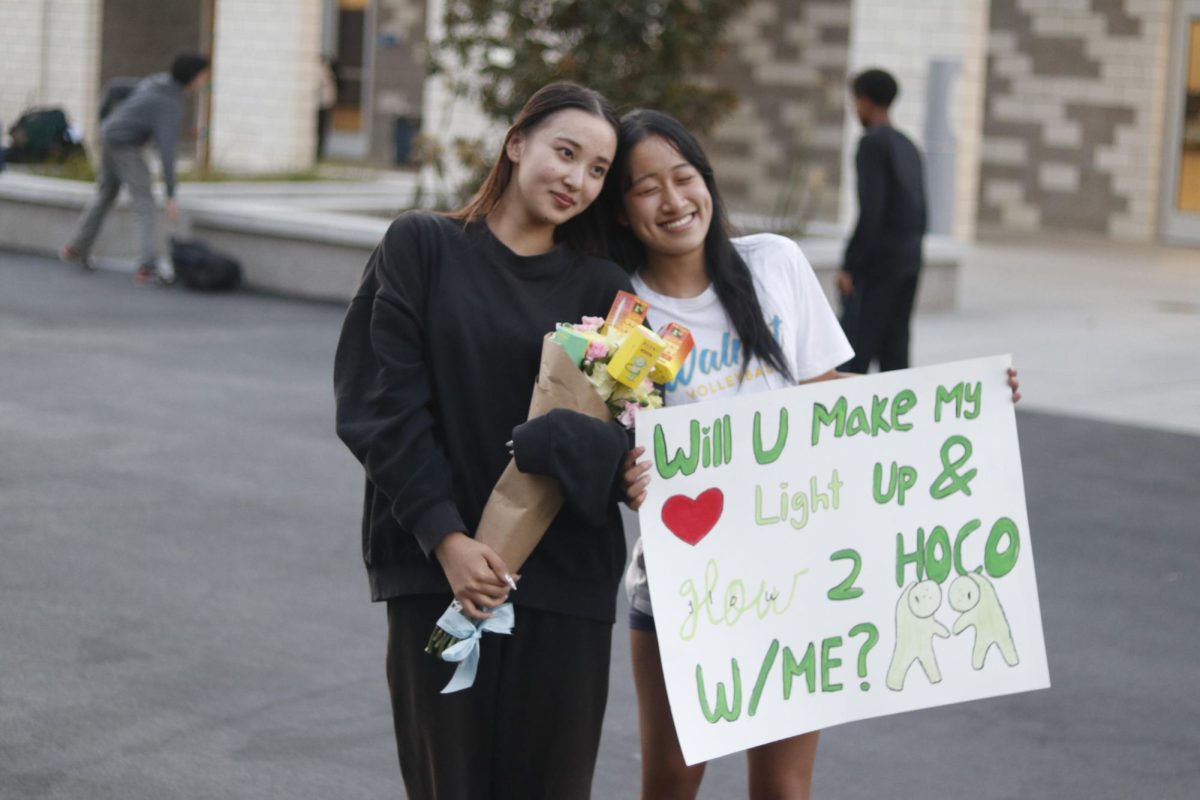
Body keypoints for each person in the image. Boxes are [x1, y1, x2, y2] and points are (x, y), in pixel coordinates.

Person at [603, 109, 1021, 800]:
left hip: (797, 581)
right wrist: (623, 469)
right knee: (671, 786)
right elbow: (619, 442)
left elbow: (828, 394)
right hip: (684, 588)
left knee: (784, 791)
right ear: (620, 211)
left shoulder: (773, 263)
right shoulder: (623, 313)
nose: (674, 201)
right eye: (646, 188)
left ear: (707, 181)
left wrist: (963, 397)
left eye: (684, 177)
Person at [333, 82, 635, 800]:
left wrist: (567, 445)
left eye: (597, 170)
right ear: (516, 141)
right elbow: (379, 402)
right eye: (566, 153)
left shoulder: (606, 286)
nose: (578, 180)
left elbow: (622, 440)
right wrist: (447, 541)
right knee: (449, 785)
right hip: (439, 577)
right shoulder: (422, 246)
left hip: (565, 586)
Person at [60, 52, 210, 284]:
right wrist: (171, 194)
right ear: (193, 76)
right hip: (125, 145)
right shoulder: (169, 103)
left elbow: (114, 87)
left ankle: (77, 248)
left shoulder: (156, 81)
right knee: (145, 201)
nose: (204, 81)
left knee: (106, 194)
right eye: (203, 76)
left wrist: (105, 120)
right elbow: (167, 149)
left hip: (110, 137)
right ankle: (147, 266)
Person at [837, 67, 927, 373]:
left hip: (878, 265)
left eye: (855, 100)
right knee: (896, 351)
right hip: (910, 260)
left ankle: (845, 419)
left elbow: (871, 209)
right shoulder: (908, 145)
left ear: (864, 101)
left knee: (855, 352)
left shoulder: (872, 143)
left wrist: (851, 265)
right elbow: (920, 209)